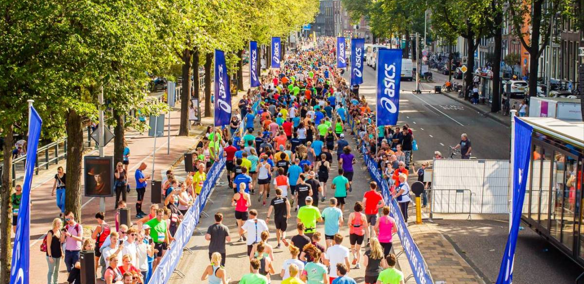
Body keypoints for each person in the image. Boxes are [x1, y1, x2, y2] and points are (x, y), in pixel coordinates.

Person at [348, 202, 367, 269]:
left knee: (352, 247)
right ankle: (358, 263)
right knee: (359, 249)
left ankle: (354, 256)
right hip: (361, 233)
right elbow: (366, 225)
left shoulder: (351, 215)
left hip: (353, 232)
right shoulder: (363, 216)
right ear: (361, 209)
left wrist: (352, 226)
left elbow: (349, 223)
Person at [46, 218, 63, 284]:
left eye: (60, 223)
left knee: (57, 270)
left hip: (58, 255)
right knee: (51, 271)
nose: (59, 225)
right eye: (58, 223)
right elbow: (48, 245)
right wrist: (50, 256)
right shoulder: (50, 233)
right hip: (51, 255)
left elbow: (61, 243)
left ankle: (55, 282)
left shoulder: (60, 232)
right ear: (54, 223)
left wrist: (62, 253)